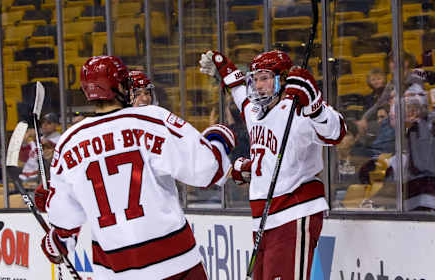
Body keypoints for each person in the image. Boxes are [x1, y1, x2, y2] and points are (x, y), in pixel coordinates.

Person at [36, 55, 236, 279]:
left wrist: (58, 240)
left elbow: (64, 221)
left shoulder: (68, 141)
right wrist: (219, 137)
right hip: (175, 264)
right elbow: (208, 170)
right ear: (120, 86)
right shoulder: (151, 119)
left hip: (115, 270)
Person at [199, 49, 346, 280]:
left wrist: (315, 106)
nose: (258, 86)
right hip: (263, 220)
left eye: (265, 78)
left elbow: (336, 133)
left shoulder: (298, 108)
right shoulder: (254, 111)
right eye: (255, 79)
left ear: (283, 79)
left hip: (293, 211)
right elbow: (239, 93)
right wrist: (225, 70)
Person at [19, 112, 61, 181]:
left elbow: (48, 146)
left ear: (56, 125)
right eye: (43, 123)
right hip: (27, 175)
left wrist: (35, 138)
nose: (44, 125)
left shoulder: (59, 139)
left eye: (49, 123)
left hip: (44, 177)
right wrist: (24, 142)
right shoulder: (40, 138)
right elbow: (22, 158)